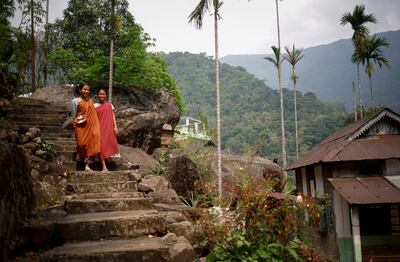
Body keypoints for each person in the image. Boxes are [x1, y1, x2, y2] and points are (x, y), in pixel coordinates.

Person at [72, 83, 101, 171]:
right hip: (80, 126)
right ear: (80, 90)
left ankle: (87, 165)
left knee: (89, 144)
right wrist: (75, 126)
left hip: (90, 126)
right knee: (81, 144)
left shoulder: (90, 102)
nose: (86, 91)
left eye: (88, 90)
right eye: (84, 89)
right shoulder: (75, 101)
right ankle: (82, 159)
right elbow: (73, 115)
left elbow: (94, 114)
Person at [94, 89, 119, 172]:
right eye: (100, 94)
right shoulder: (95, 106)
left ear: (106, 95)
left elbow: (112, 116)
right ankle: (104, 167)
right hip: (99, 128)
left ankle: (105, 164)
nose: (102, 96)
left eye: (103, 94)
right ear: (97, 95)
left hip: (108, 127)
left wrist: (115, 126)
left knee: (107, 144)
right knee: (102, 146)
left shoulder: (109, 105)